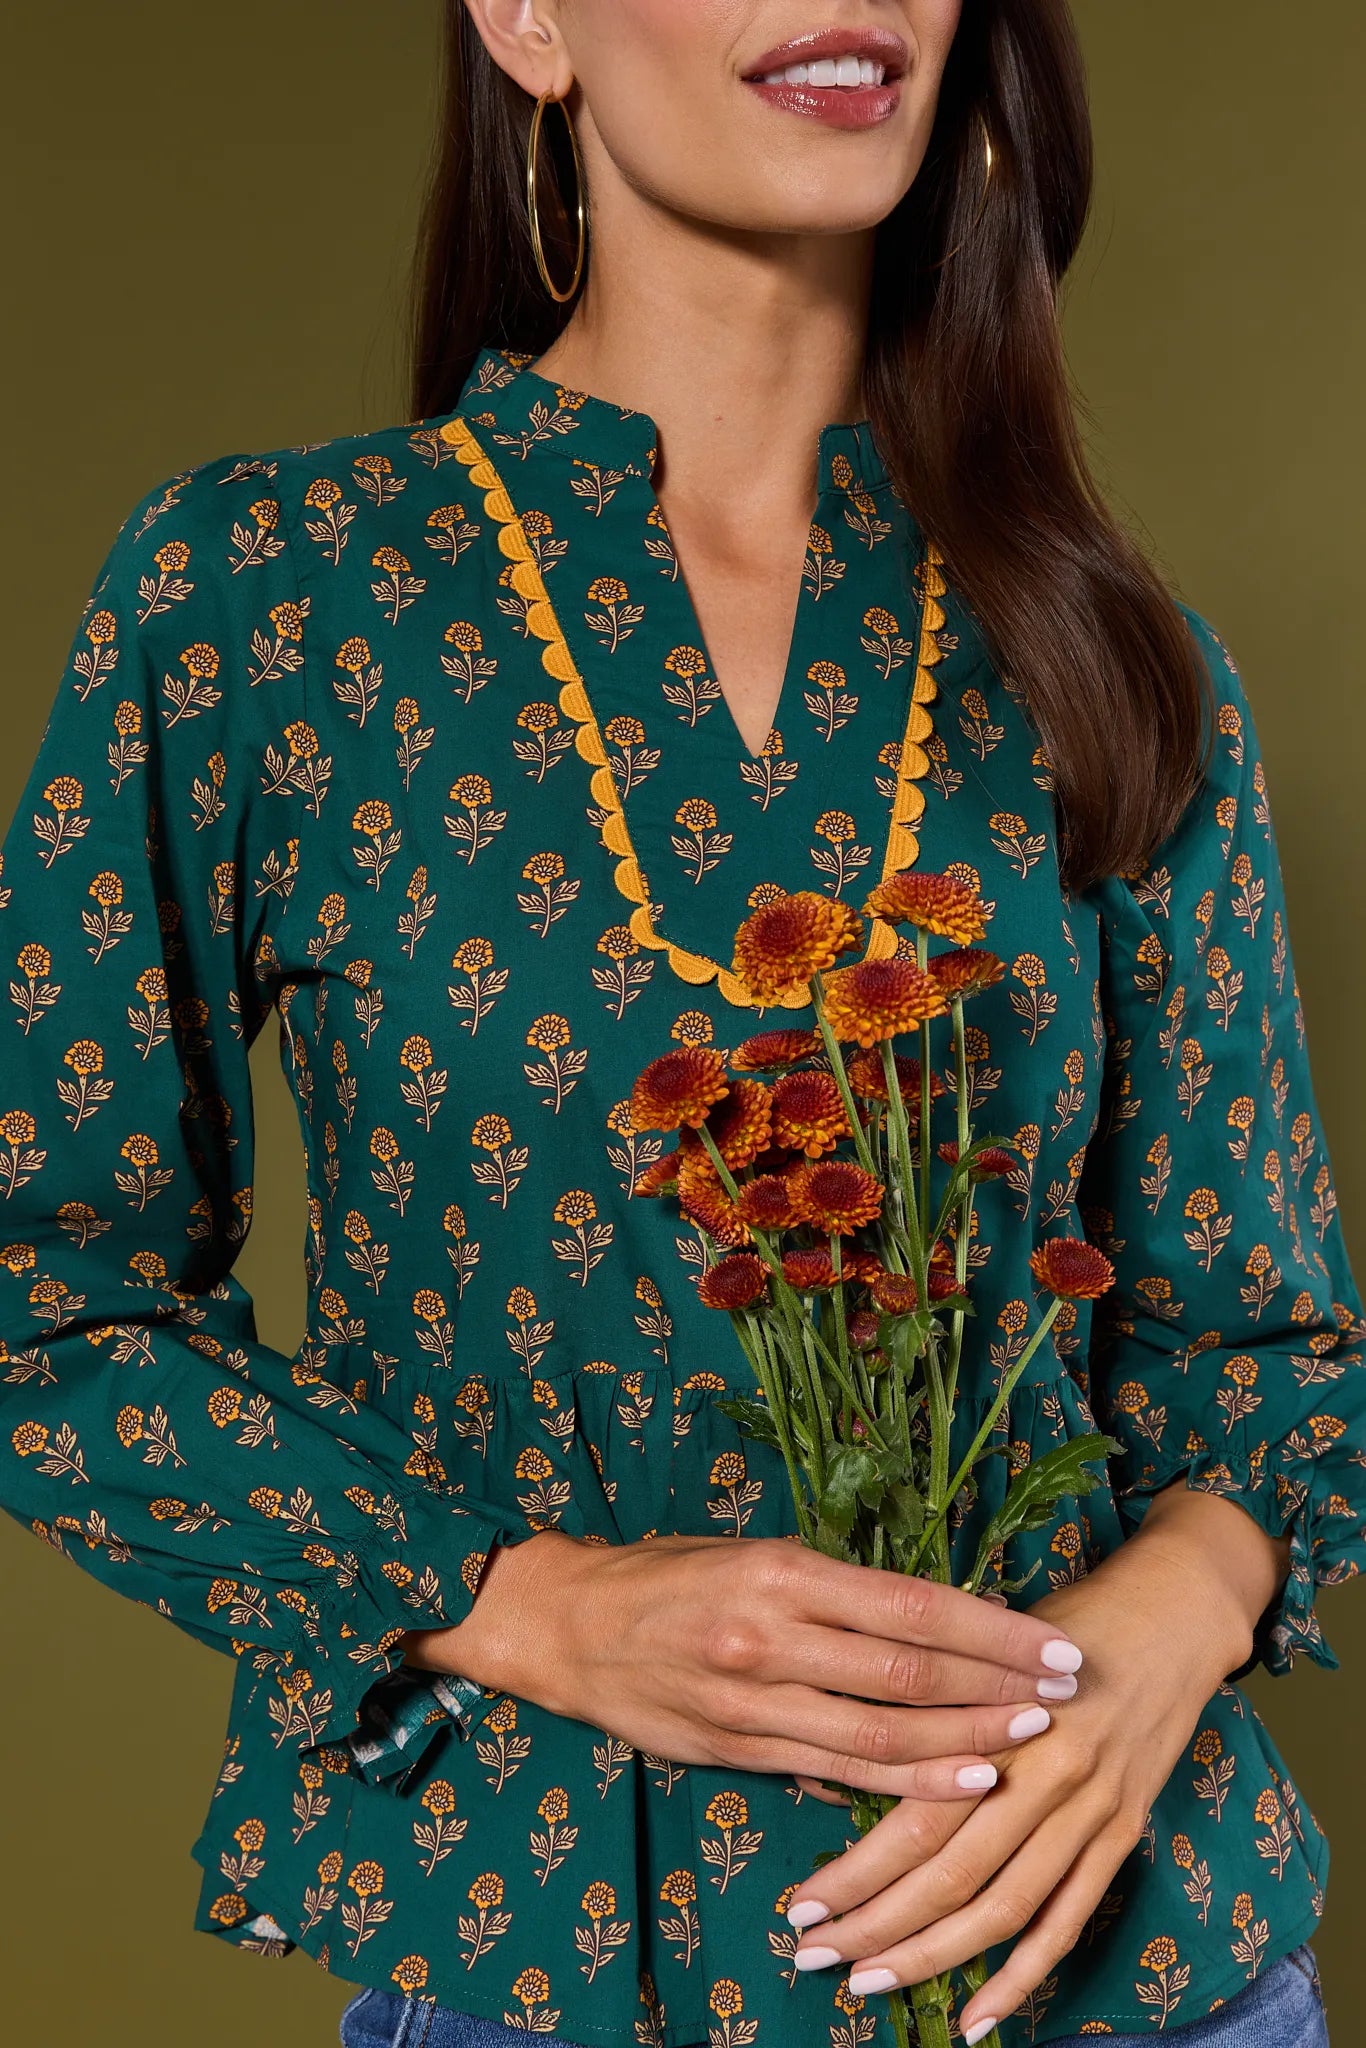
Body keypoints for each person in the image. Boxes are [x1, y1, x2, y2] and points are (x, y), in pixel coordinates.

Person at [2, 2, 1358, 2044]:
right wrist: (528, 1603)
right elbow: (40, 1288)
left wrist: (1159, 1629)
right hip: (547, 1956)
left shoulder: (1113, 654)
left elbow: (1266, 1361)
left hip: (1133, 1971)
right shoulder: (270, 598)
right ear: (527, 17)